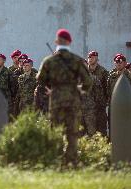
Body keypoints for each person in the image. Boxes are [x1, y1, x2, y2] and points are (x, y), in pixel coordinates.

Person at [36, 29, 92, 166]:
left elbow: (40, 79)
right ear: (69, 42)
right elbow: (88, 82)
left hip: (56, 100)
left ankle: (56, 162)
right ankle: (71, 162)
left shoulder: (49, 61)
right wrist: (80, 90)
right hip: (73, 99)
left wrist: (50, 89)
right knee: (72, 132)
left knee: (56, 130)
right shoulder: (77, 60)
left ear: (56, 42)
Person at [107, 54, 131, 145]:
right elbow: (108, 92)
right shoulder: (111, 78)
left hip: (128, 110)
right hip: (115, 110)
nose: (118, 64)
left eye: (120, 62)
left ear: (124, 63)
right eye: (116, 62)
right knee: (115, 132)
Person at [87, 51, 109, 136]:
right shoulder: (85, 71)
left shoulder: (103, 72)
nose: (90, 59)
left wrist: (106, 100)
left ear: (96, 58)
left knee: (101, 128)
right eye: (89, 57)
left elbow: (108, 87)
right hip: (87, 106)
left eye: (91, 57)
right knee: (89, 130)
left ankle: (103, 148)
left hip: (100, 105)